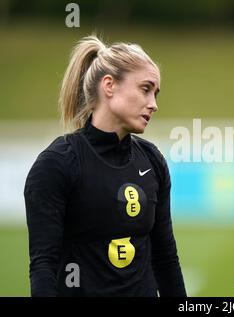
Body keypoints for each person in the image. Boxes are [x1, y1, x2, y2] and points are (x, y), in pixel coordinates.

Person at [24, 35, 186, 297]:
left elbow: (165, 257)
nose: (154, 104)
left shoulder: (152, 160)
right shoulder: (57, 163)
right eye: (145, 89)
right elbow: (44, 266)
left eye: (155, 93)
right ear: (109, 85)